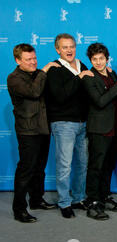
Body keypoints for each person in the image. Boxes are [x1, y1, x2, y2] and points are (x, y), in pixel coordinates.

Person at [7, 43, 59, 223]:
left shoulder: (38, 74)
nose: (33, 62)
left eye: (34, 58)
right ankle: (19, 209)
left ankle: (36, 200)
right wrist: (45, 70)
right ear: (18, 60)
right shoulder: (14, 78)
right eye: (28, 59)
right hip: (28, 131)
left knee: (39, 169)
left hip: (43, 128)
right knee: (26, 170)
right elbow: (34, 92)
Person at [82, 43, 117, 220]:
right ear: (90, 60)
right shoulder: (89, 77)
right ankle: (93, 202)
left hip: (114, 128)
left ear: (106, 58)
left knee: (108, 165)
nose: (98, 62)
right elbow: (100, 101)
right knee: (96, 166)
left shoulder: (111, 73)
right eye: (94, 59)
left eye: (101, 58)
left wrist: (116, 82)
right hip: (99, 129)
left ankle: (104, 197)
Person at [45, 33, 92, 218]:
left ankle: (78, 198)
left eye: (71, 46)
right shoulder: (55, 69)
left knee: (82, 163)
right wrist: (80, 77)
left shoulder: (82, 64)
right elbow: (60, 95)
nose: (69, 50)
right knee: (65, 165)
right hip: (63, 123)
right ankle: (64, 202)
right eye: (65, 47)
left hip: (83, 123)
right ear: (58, 49)